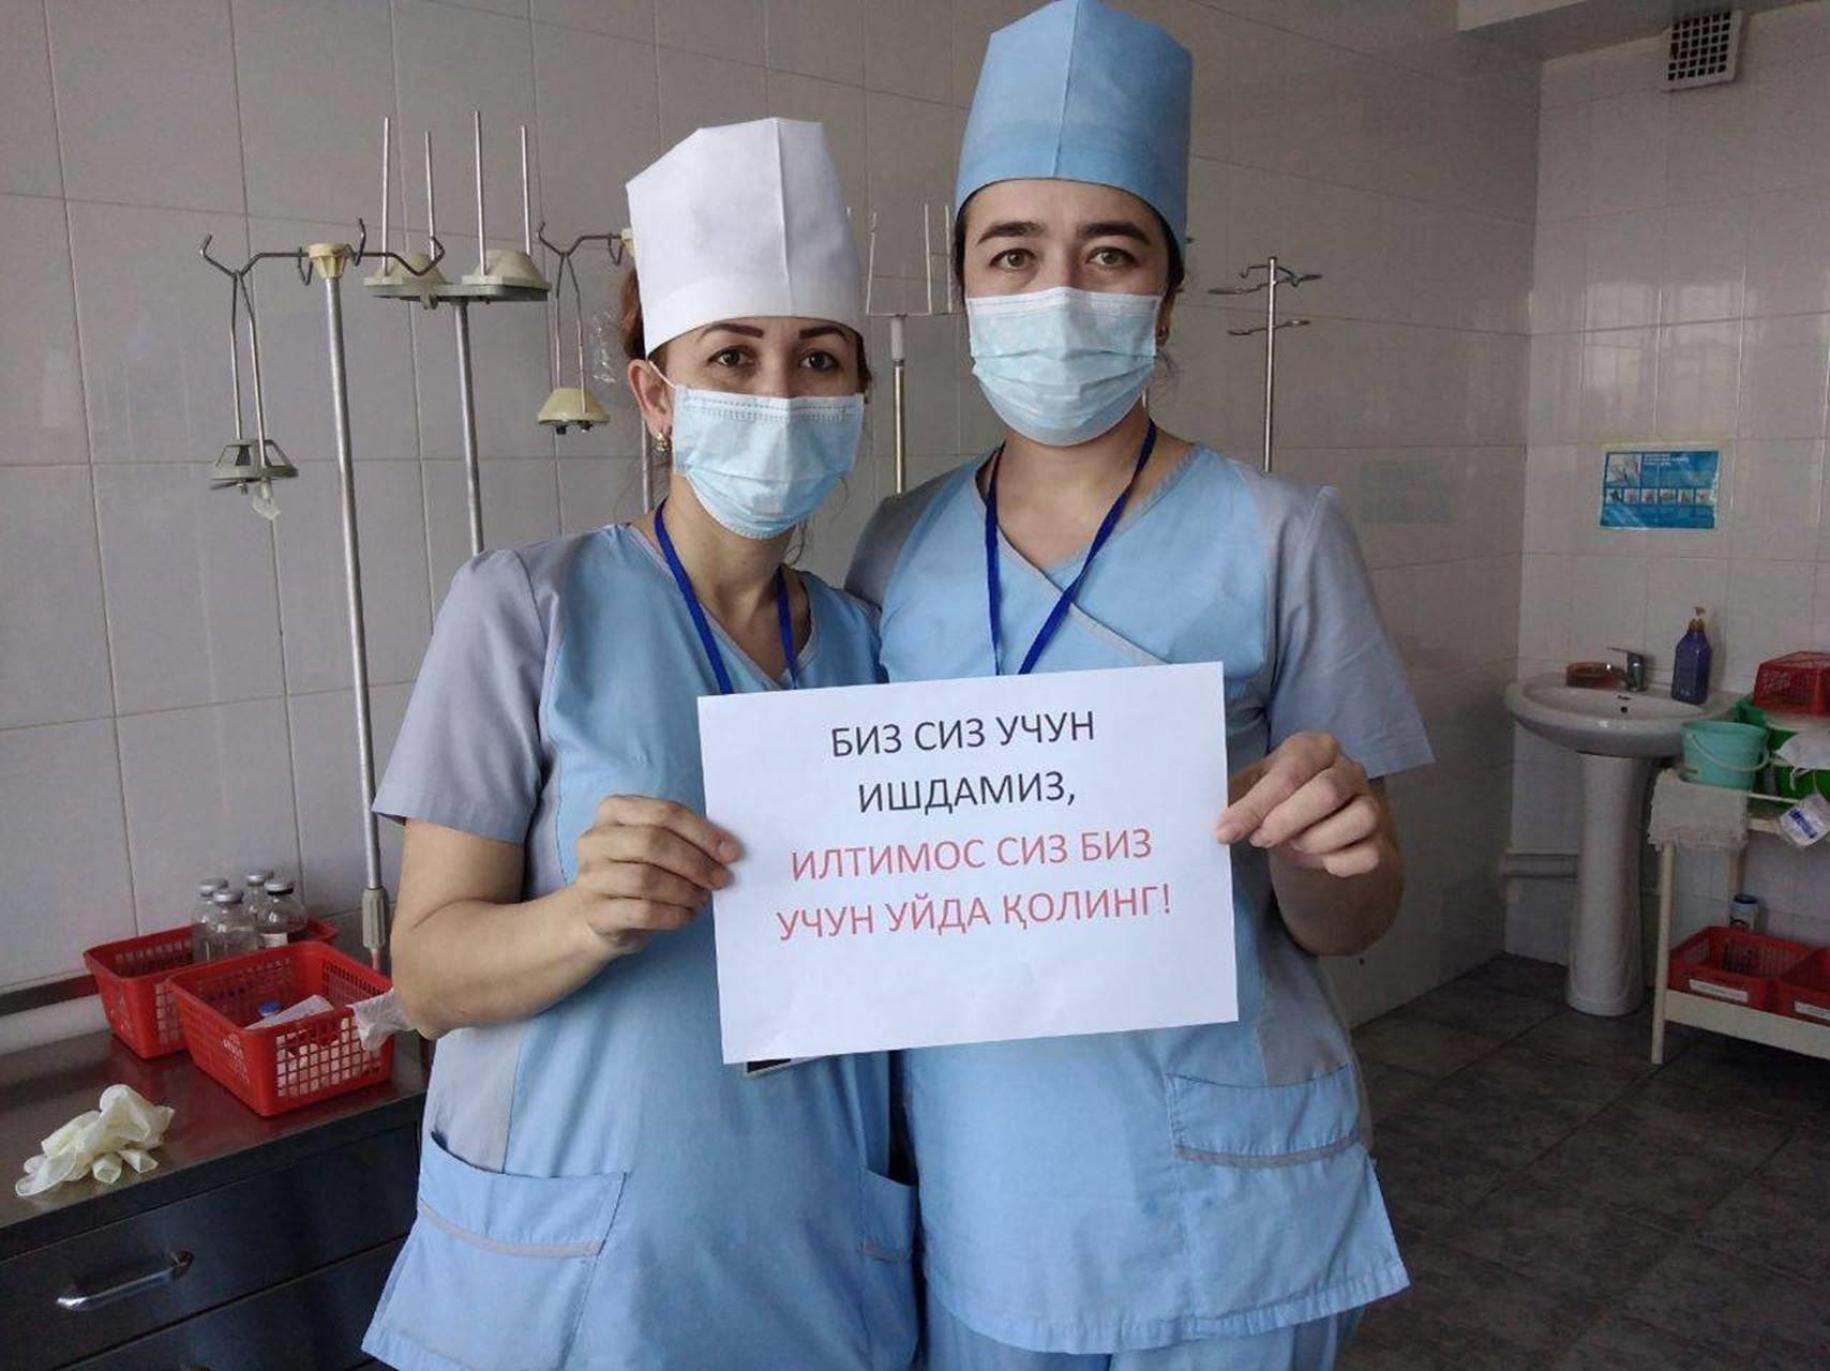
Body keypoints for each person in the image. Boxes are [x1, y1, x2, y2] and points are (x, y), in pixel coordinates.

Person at [845, 4, 1434, 1368]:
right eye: (1013, 252)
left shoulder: (1280, 532)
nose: (1059, 292)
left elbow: (1352, 917)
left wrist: (1326, 843)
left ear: (1166, 290)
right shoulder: (895, 549)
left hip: (1225, 1181)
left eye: (1109, 251)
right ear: (965, 290)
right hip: (991, 1174)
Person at [363, 118, 917, 1371]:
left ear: (854, 399)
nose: (779, 394)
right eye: (734, 355)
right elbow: (430, 978)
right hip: (577, 1277)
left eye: (819, 359)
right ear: (657, 397)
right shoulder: (526, 609)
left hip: (818, 1250)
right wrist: (586, 917)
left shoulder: (871, 646)